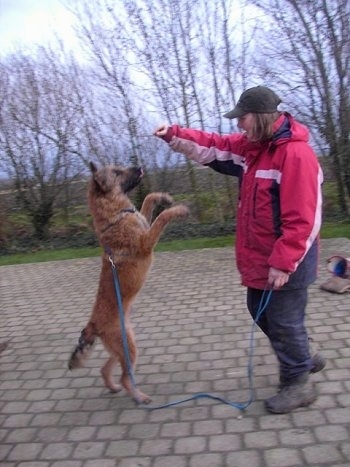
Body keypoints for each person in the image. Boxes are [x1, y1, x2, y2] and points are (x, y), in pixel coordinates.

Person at [154, 85, 325, 414]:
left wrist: (284, 262)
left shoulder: (296, 156)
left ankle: (298, 383)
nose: (238, 125)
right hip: (260, 257)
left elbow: (303, 219)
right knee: (259, 310)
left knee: (284, 321)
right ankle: (304, 354)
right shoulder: (252, 149)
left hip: (290, 260)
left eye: (242, 118)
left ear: (260, 117)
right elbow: (213, 146)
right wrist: (172, 134)